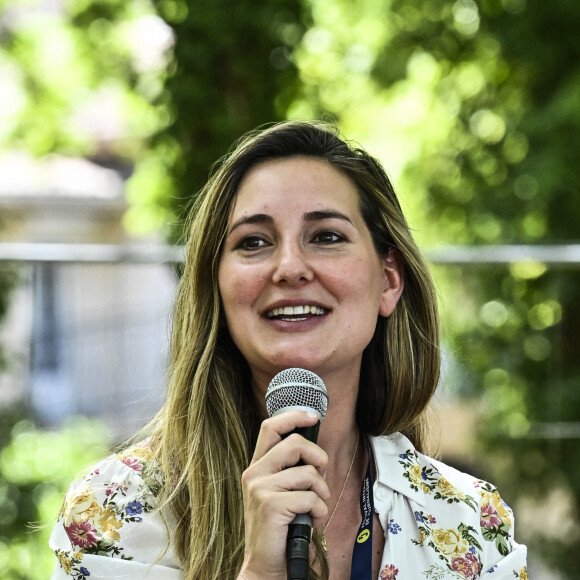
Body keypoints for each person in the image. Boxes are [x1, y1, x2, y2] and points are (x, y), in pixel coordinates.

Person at [49, 120, 528, 580]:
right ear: (215, 288)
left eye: (326, 237)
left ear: (388, 281)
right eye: (254, 242)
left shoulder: (469, 525)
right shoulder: (115, 509)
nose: (290, 267)